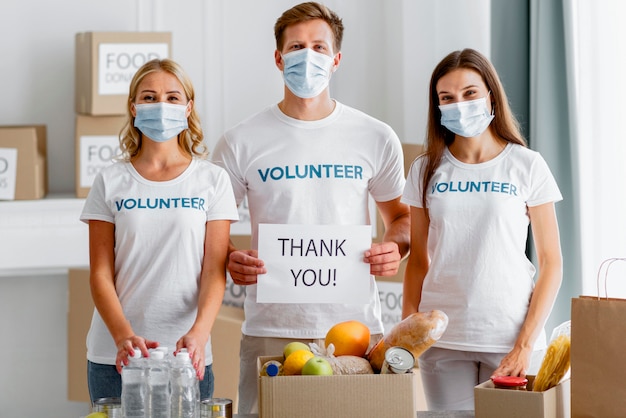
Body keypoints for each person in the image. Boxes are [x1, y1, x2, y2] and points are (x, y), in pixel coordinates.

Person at [210, 2, 410, 413]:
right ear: (278, 58)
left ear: (336, 60)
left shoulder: (375, 136)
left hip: (356, 332)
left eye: (319, 47)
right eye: (297, 46)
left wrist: (396, 248)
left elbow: (402, 220)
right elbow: (211, 227)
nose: (308, 56)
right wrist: (231, 257)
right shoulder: (240, 141)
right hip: (270, 330)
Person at [401, 48, 563, 411]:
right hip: (441, 339)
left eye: (469, 93)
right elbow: (418, 261)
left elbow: (552, 262)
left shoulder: (526, 165)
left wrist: (525, 343)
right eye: (447, 98)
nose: (459, 104)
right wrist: (407, 333)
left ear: (490, 94)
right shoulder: (426, 169)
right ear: (438, 106)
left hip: (508, 338)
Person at [80, 58, 239, 403]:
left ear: (188, 107)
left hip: (186, 357)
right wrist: (123, 337)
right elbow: (100, 274)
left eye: (172, 97)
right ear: (134, 108)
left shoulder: (212, 180)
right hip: (116, 358)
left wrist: (200, 333)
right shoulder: (111, 180)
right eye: (150, 97)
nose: (161, 105)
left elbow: (214, 270)